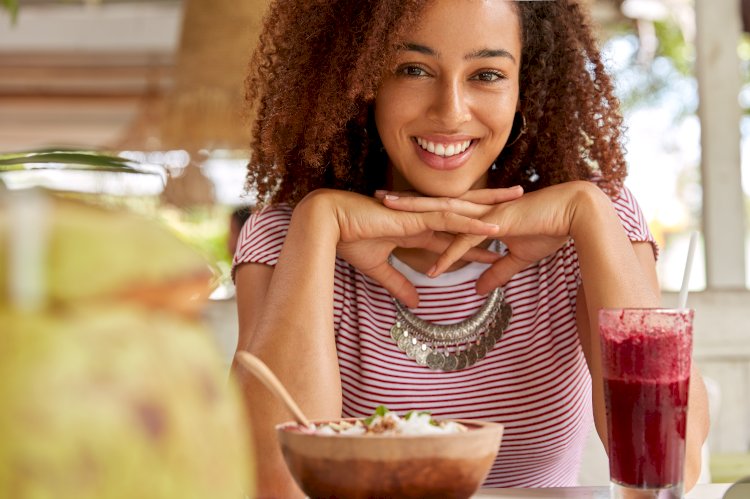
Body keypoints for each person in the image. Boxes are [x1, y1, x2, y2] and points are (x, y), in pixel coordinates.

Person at [230, 0, 710, 496]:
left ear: (526, 85)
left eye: (487, 74)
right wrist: (317, 223)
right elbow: (275, 486)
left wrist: (588, 212)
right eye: (413, 69)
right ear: (362, 78)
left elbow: (665, 468)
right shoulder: (287, 237)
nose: (451, 111)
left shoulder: (593, 223)